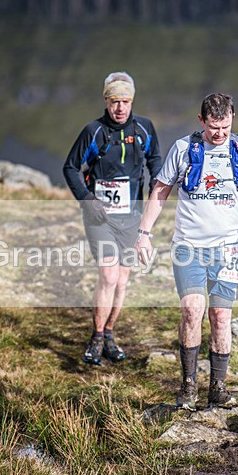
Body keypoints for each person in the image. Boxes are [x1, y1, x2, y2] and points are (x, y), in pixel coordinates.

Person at [135, 93, 238, 410]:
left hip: (228, 249)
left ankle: (218, 388)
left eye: (224, 126)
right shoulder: (183, 149)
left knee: (221, 317)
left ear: (233, 116)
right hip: (189, 247)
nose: (219, 134)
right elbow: (160, 190)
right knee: (192, 310)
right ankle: (188, 386)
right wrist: (144, 233)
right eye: (213, 128)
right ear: (201, 121)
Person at [63, 71, 162, 366]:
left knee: (122, 280)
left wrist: (158, 184)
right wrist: (87, 199)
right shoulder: (93, 130)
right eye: (114, 101)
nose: (120, 108)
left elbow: (155, 158)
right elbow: (70, 168)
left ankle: (109, 333)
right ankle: (95, 338)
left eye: (125, 101)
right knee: (108, 275)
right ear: (106, 101)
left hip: (131, 217)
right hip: (100, 218)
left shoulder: (144, 128)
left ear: (132, 101)